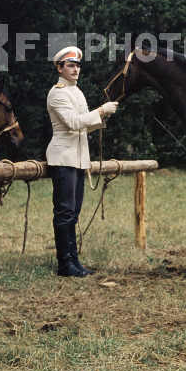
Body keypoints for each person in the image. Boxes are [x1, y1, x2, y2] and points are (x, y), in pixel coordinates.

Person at [46, 46, 119, 277]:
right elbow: (75, 123)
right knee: (64, 212)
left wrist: (102, 116)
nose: (75, 69)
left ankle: (74, 261)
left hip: (78, 158)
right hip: (63, 157)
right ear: (60, 68)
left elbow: (85, 123)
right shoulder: (58, 93)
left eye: (77, 65)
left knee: (74, 213)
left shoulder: (76, 92)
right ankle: (64, 263)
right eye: (70, 65)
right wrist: (100, 110)